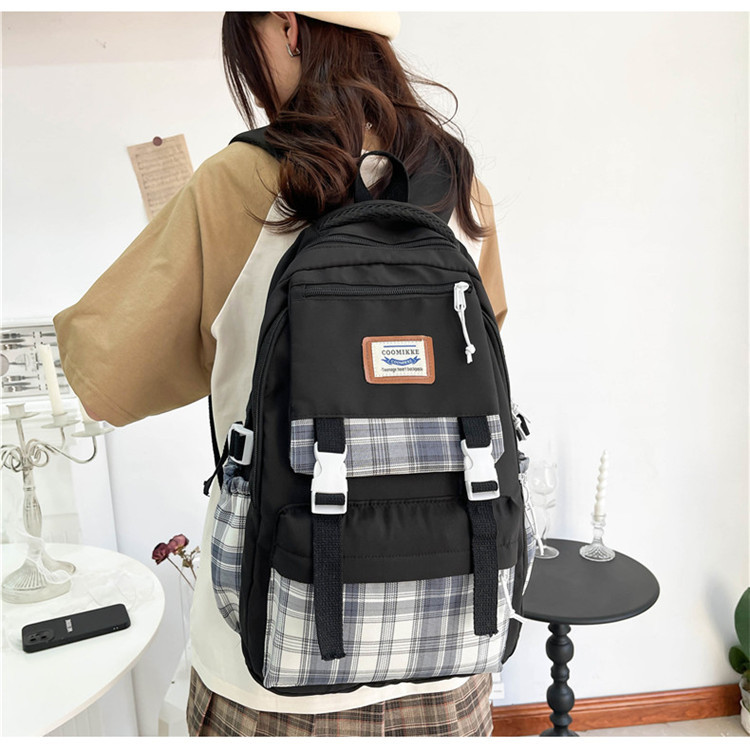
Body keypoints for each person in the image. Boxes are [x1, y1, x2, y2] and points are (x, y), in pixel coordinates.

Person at [54, 11, 509, 737]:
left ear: (288, 25)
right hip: (453, 642)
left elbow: (105, 376)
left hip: (273, 671)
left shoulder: (239, 179)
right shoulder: (458, 181)